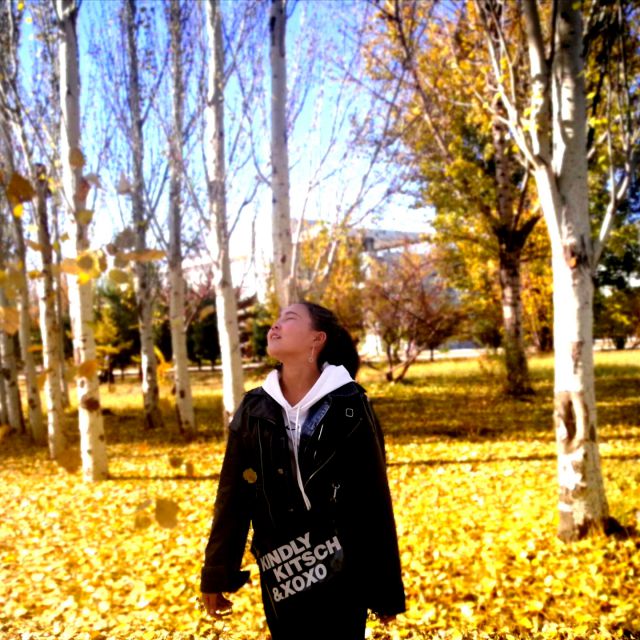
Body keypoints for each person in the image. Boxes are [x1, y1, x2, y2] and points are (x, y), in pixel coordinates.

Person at [200, 301, 405, 640]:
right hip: (282, 564)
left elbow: (373, 498)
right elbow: (233, 495)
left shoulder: (351, 404)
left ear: (317, 339)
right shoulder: (253, 407)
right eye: (276, 319)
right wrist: (217, 572)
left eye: (290, 318)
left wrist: (385, 588)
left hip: (343, 563)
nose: (275, 325)